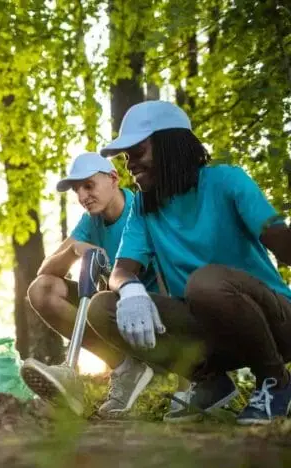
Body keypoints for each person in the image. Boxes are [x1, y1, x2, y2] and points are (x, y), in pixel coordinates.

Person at [87, 100, 291, 424]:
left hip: (275, 323)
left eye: (137, 152)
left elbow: (279, 238)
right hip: (211, 330)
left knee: (204, 284)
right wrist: (130, 290)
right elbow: (121, 270)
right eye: (126, 157)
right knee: (102, 308)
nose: (130, 165)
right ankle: (209, 381)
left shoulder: (226, 181)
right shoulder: (144, 206)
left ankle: (274, 380)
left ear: (170, 145)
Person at [21, 152, 161, 417]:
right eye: (77, 190)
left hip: (153, 317)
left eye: (88, 185)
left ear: (113, 178)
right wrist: (75, 250)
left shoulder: (143, 209)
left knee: (102, 302)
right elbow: (44, 271)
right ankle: (125, 369)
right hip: (110, 311)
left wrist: (187, 383)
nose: (83, 196)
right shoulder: (91, 220)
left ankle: (187, 381)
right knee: (42, 289)